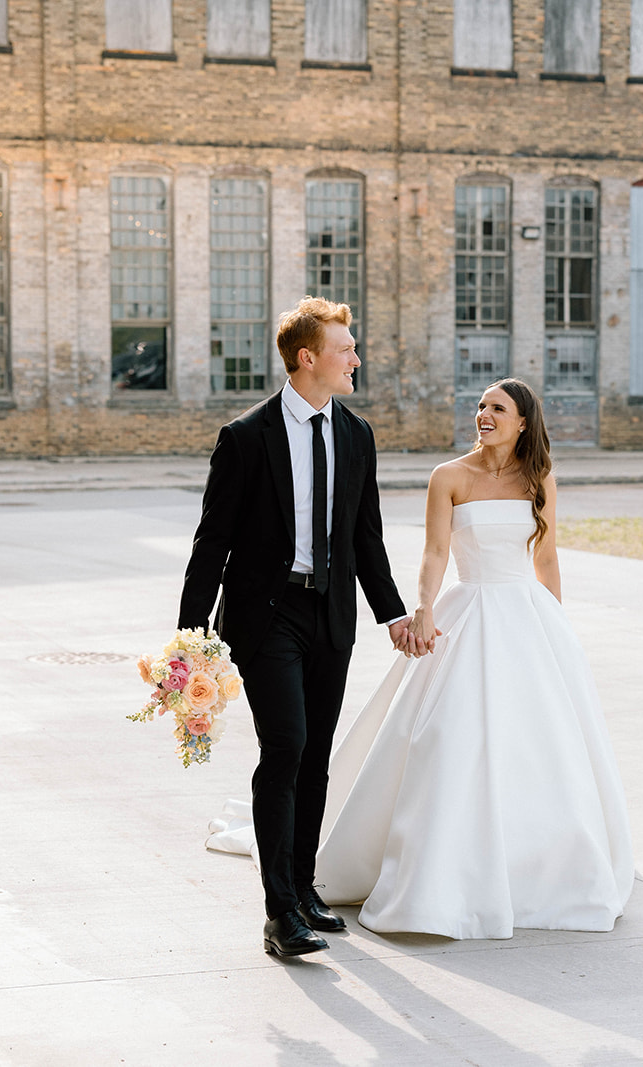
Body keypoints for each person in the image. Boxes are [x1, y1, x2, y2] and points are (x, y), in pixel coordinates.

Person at [313, 378, 634, 939]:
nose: (483, 414)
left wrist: (557, 624)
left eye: (497, 408)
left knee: (541, 744)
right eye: (481, 406)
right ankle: (445, 870)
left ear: (523, 422)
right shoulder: (449, 476)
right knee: (449, 737)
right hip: (468, 612)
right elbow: (436, 550)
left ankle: (540, 868)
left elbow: (548, 556)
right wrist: (425, 609)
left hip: (528, 617)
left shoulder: (539, 479)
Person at [178, 297, 421, 959]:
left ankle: (303, 885)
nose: (356, 359)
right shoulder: (246, 438)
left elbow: (364, 535)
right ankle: (279, 910)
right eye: (346, 349)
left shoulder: (356, 435)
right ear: (308, 358)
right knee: (284, 746)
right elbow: (212, 544)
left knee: (315, 757)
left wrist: (393, 612)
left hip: (330, 613)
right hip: (267, 615)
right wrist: (190, 640)